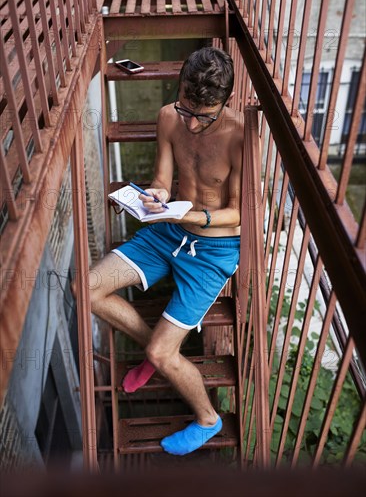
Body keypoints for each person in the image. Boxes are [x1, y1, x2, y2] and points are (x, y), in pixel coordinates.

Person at [72, 46, 244, 455]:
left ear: (224, 105)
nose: (194, 123)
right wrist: (157, 195)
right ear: (179, 90)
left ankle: (208, 418)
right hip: (168, 230)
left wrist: (198, 218)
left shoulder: (239, 135)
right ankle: (158, 353)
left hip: (214, 250)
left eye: (205, 115)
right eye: (188, 109)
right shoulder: (170, 117)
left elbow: (238, 212)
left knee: (161, 354)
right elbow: (163, 178)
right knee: (86, 289)